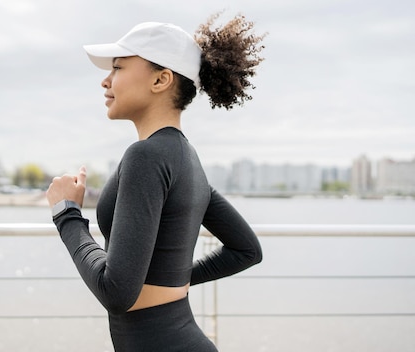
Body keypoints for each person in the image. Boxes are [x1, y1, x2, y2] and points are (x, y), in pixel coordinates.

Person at [46, 13, 265, 352]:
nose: (105, 81)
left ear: (161, 80)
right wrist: (174, 279)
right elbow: (246, 250)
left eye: (118, 68)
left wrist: (66, 214)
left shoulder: (145, 157)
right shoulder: (188, 160)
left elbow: (116, 293)